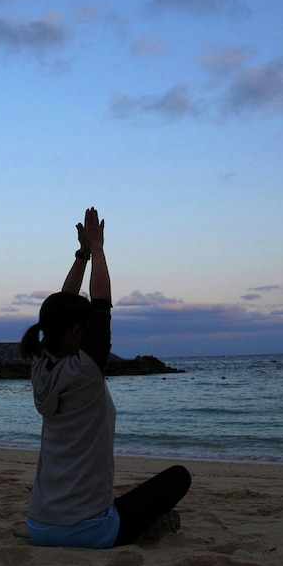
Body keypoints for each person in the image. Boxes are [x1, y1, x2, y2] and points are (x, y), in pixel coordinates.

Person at [20, 208, 191, 548]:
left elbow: (59, 309)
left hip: (39, 526)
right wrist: (98, 249)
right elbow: (101, 302)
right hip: (89, 531)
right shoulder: (86, 370)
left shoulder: (40, 366)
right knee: (178, 478)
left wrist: (82, 255)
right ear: (75, 333)